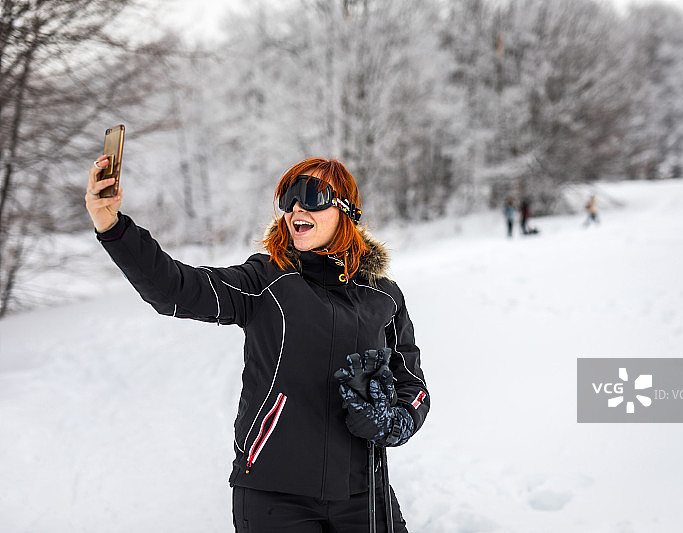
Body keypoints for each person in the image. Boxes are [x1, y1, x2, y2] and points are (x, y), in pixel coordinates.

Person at [85, 155, 430, 532]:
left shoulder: (384, 296)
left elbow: (413, 388)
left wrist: (390, 423)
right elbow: (174, 289)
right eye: (288, 198)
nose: (297, 207)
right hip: (275, 495)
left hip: (364, 494)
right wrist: (112, 226)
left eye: (312, 195)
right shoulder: (267, 280)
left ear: (346, 209)